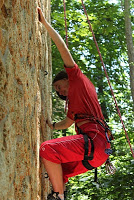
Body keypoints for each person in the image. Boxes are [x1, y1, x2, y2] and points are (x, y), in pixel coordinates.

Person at [38, 7, 112, 200]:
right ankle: (60, 193)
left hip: (94, 142)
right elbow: (67, 123)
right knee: (58, 168)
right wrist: (51, 125)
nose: (60, 91)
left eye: (60, 86)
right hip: (98, 152)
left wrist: (45, 24)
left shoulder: (77, 79)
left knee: (48, 149)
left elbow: (63, 49)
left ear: (68, 78)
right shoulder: (78, 106)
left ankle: (58, 196)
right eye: (57, 91)